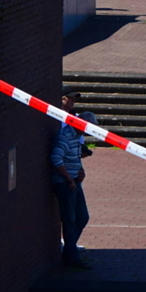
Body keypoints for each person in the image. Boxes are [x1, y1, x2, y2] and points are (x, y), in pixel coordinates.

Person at [51, 87, 94, 269]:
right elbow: (56, 158)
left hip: (74, 180)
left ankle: (69, 250)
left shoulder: (76, 137)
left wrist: (80, 169)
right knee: (70, 219)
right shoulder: (66, 136)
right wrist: (69, 178)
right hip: (65, 183)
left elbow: (75, 156)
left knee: (82, 217)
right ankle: (71, 257)